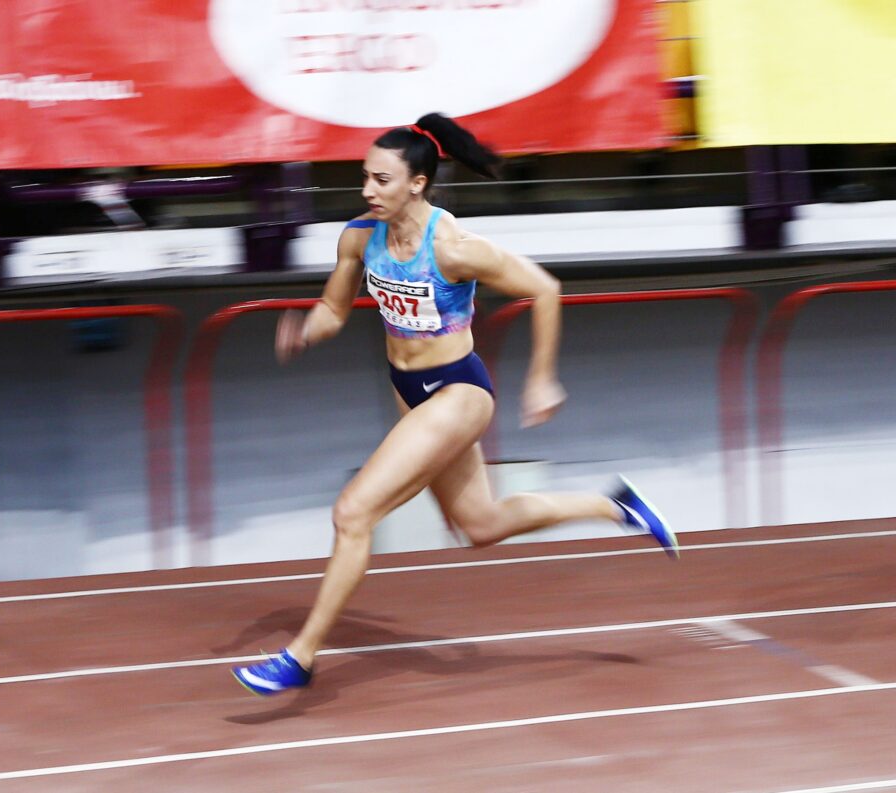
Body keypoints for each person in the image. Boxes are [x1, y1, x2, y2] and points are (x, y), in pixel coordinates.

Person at [231, 114, 677, 696]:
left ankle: (301, 656)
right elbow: (335, 310)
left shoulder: (454, 248)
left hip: (458, 392)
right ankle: (615, 507)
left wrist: (542, 379)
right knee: (480, 525)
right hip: (408, 389)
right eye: (365, 177)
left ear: (417, 183)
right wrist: (306, 330)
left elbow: (545, 288)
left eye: (382, 180)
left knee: (352, 512)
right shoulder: (359, 238)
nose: (367, 191)